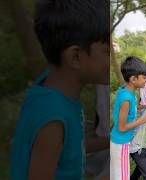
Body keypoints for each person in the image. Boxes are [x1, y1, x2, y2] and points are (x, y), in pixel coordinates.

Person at [10, 0, 108, 179]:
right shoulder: (53, 116)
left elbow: (70, 147)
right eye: (108, 52)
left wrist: (111, 142)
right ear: (75, 57)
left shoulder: (55, 87)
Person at [110, 56, 146, 180]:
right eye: (144, 77)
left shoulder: (126, 91)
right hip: (121, 142)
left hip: (119, 141)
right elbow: (122, 127)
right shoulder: (126, 98)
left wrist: (145, 106)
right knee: (122, 176)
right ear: (133, 79)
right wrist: (145, 118)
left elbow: (131, 107)